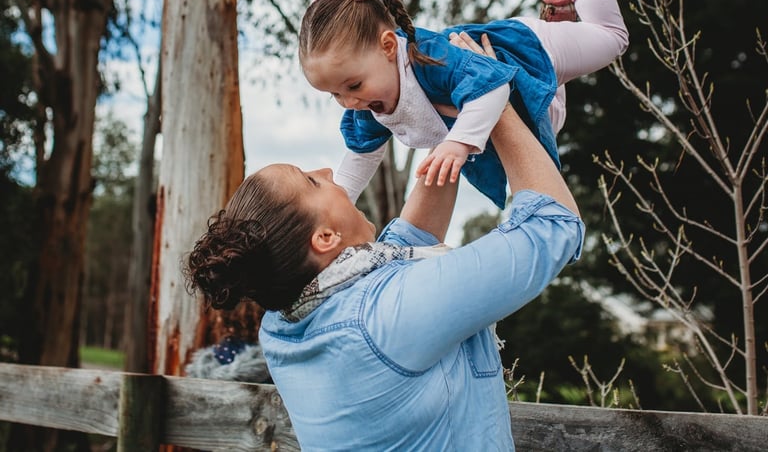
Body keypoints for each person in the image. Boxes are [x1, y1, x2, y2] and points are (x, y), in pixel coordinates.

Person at [184, 34, 585, 449]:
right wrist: (493, 93)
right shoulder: (383, 319)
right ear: (324, 238)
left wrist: (440, 115)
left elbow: (410, 244)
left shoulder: (284, 326)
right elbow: (553, 227)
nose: (326, 170)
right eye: (310, 180)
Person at [299, 0, 629, 209]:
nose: (349, 102)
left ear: (388, 47)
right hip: (525, 80)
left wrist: (459, 143)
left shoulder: (428, 58)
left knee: (612, 38)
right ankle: (561, 18)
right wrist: (335, 208)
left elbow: (492, 88)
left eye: (353, 86)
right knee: (552, 121)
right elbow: (362, 157)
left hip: (529, 48)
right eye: (335, 95)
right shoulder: (368, 104)